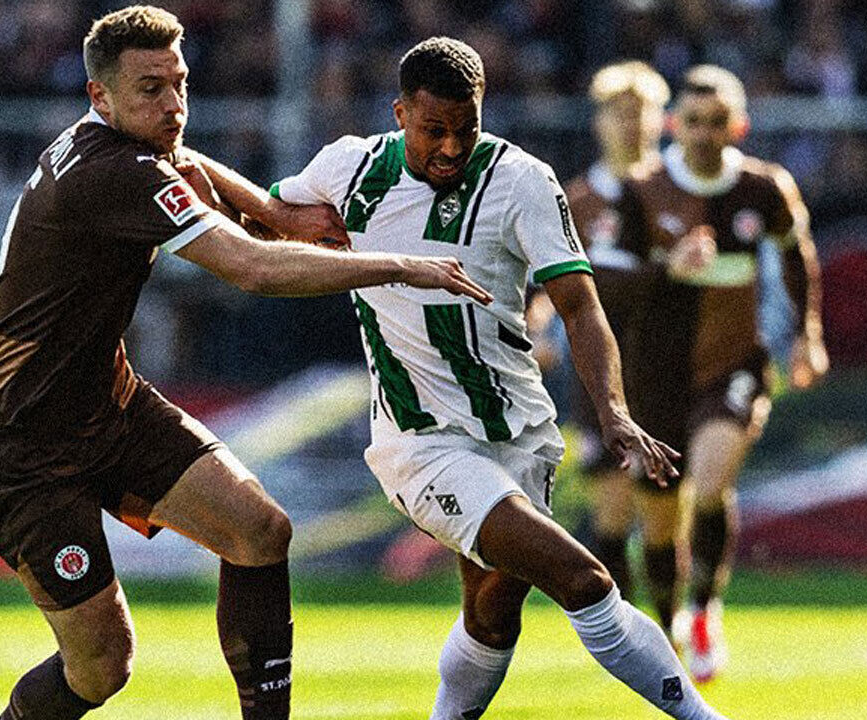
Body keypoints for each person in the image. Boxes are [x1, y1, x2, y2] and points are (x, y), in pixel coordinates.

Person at [0, 8, 493, 720]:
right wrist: (396, 266)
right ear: (99, 96)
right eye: (151, 89)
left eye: (179, 83)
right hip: (21, 445)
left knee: (259, 531)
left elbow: (185, 159)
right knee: (101, 669)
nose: (173, 104)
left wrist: (276, 210)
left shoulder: (121, 140)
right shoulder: (114, 174)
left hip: (106, 407)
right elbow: (252, 270)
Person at [258, 38, 728, 720]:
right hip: (422, 442)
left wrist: (615, 412)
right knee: (584, 578)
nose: (451, 148)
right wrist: (202, 181)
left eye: (465, 129)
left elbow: (579, 306)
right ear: (399, 114)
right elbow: (264, 222)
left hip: (518, 431)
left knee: (492, 615)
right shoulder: (349, 167)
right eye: (433, 131)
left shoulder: (523, 181)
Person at [619, 65, 827, 682]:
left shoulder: (764, 189)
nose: (706, 135)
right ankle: (666, 631)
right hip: (656, 375)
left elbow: (798, 256)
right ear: (674, 125)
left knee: (710, 484)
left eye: (718, 123)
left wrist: (808, 336)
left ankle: (705, 608)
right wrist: (668, 268)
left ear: (738, 125)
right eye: (695, 122)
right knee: (659, 523)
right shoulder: (642, 190)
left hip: (734, 366)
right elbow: (614, 284)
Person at [554, 61, 686, 638]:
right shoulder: (575, 201)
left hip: (663, 368)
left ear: (661, 120)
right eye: (619, 112)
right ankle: (626, 641)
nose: (631, 124)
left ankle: (676, 620)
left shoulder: (677, 196)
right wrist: (536, 325)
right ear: (598, 121)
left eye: (642, 112)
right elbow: (545, 282)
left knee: (660, 518)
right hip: (598, 377)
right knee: (609, 505)